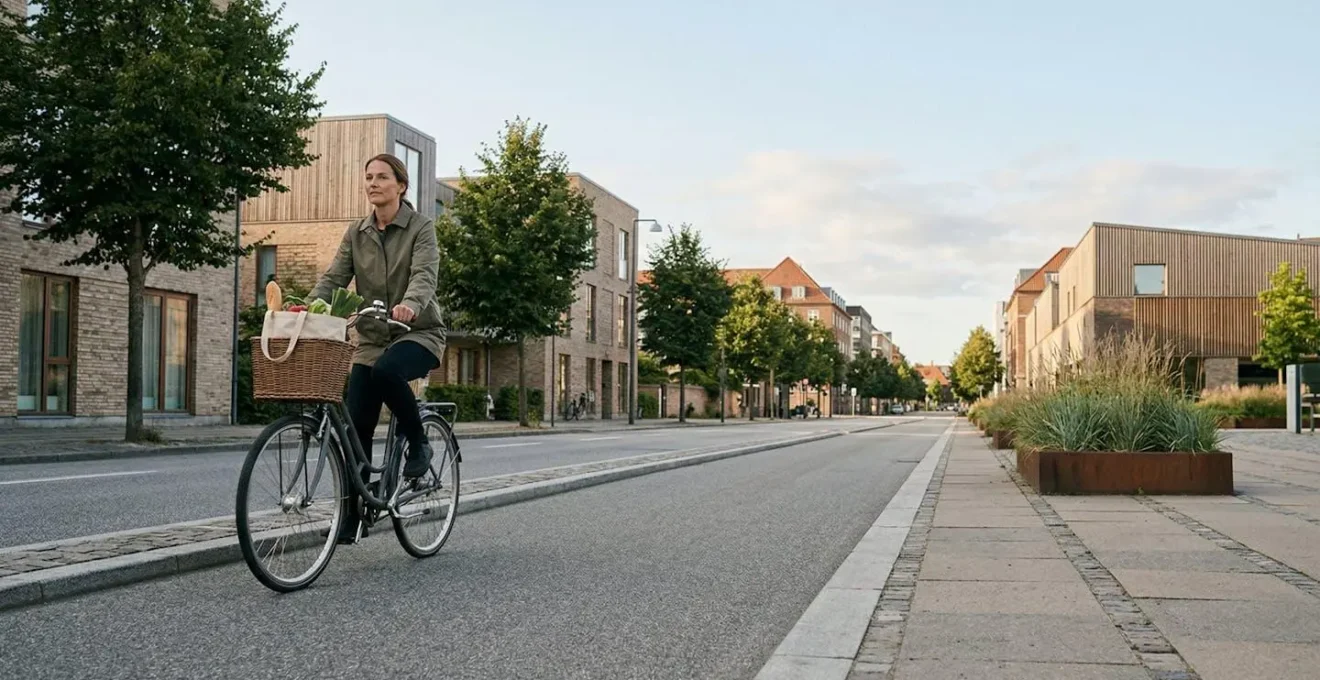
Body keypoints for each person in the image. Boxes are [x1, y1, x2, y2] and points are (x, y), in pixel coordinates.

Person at [308, 153, 447, 543]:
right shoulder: (357, 232)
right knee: (356, 426)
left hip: (418, 333)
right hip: (370, 338)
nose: (373, 183)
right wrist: (307, 308)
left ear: (400, 186)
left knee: (388, 371)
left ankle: (418, 443)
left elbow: (424, 274)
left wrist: (412, 304)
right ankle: (354, 515)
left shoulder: (421, 228)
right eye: (368, 177)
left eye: (382, 177)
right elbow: (335, 277)